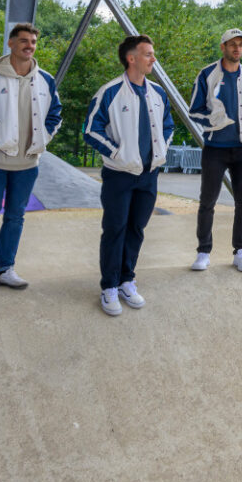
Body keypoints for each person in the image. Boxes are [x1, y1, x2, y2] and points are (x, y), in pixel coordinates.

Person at [0, 22, 62, 294]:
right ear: (11, 43)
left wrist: (43, 139)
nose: (29, 46)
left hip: (28, 164)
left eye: (33, 42)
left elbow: (56, 115)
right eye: (23, 41)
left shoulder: (46, 80)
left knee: (16, 217)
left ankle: (6, 270)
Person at [84, 34, 173, 317]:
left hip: (149, 175)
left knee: (136, 229)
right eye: (147, 54)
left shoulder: (158, 93)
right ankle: (109, 286)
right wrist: (118, 153)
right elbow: (91, 130)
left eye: (153, 53)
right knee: (115, 229)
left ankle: (126, 280)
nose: (153, 59)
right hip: (119, 176)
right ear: (131, 58)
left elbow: (168, 127)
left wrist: (160, 152)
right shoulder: (109, 92)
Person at [187, 28, 242, 273]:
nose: (237, 49)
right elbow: (194, 110)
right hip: (215, 148)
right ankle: (203, 251)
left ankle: (240, 251)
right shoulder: (207, 74)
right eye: (232, 44)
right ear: (223, 47)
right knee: (207, 202)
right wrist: (214, 121)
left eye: (240, 45)